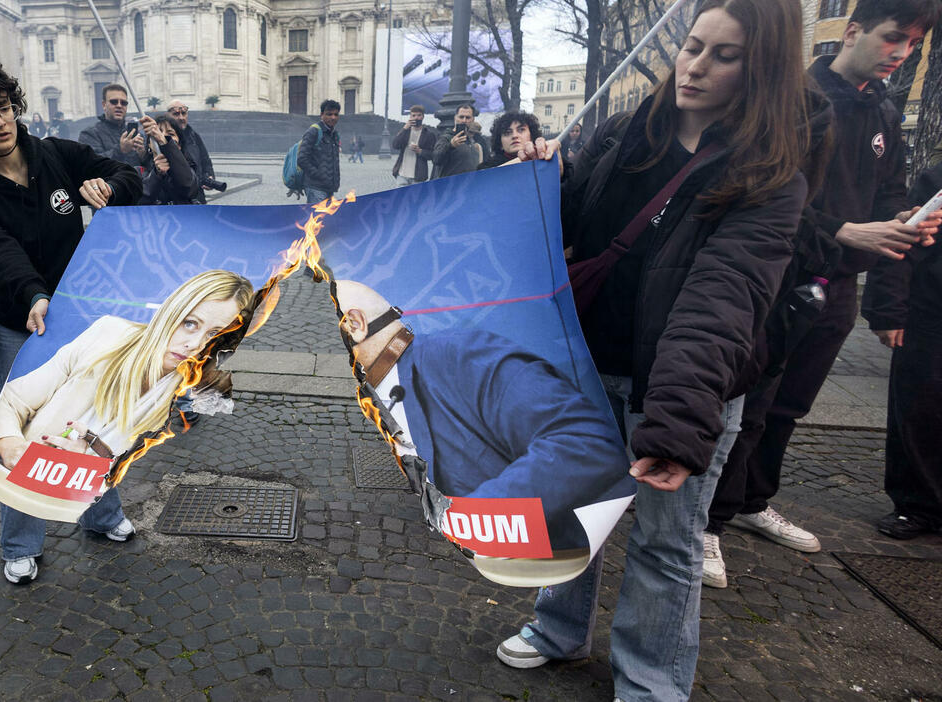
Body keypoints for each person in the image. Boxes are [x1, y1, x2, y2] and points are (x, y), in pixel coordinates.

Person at [495, 2, 823, 699]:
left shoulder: (770, 177)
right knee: (574, 510)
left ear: (760, 68)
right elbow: (572, 227)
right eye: (692, 46)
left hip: (683, 385)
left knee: (665, 544)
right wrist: (545, 179)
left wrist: (675, 423)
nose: (695, 66)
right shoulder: (627, 131)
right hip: (590, 363)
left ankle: (650, 682)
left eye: (723, 55)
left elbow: (722, 302)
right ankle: (558, 631)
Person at [704, 0, 942, 587]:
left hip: (837, 288)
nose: (901, 54)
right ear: (854, 32)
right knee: (746, 405)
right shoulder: (793, 101)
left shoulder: (884, 108)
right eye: (894, 38)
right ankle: (706, 522)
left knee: (791, 405)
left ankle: (754, 501)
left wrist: (901, 226)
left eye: (912, 45)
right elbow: (760, 193)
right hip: (776, 278)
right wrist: (840, 229)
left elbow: (885, 199)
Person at [0, 53, 142, 583]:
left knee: (89, 415)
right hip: (18, 321)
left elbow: (125, 174)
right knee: (22, 425)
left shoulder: (55, 155)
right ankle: (20, 543)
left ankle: (101, 514)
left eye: (3, 107)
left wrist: (110, 189)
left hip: (78, 313)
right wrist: (31, 296)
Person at [333, 280, 632, 580]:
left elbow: (587, 440)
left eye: (337, 319)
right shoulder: (383, 389)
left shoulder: (462, 355)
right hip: (520, 562)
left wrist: (477, 519)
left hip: (543, 555)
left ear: (356, 323)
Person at [0, 270, 253, 584]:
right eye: (189, 322)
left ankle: (102, 517)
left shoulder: (184, 379)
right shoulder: (109, 334)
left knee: (104, 472)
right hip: (30, 455)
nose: (193, 344)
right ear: (171, 311)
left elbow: (120, 449)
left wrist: (90, 455)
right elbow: (15, 400)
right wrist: (9, 443)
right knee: (24, 482)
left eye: (213, 334)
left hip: (89, 467)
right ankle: (19, 547)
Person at [861, 155, 942, 539]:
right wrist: (889, 311)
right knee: (920, 411)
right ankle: (917, 506)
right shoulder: (937, 180)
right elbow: (905, 244)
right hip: (930, 316)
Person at [77, 84, 143, 168]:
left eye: (123, 103)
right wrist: (120, 150)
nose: (119, 105)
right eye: (114, 102)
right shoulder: (89, 134)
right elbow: (91, 164)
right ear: (104, 105)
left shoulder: (134, 134)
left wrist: (143, 154)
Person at [139, 114, 198, 206]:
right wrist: (157, 175)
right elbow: (140, 199)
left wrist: (164, 142)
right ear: (149, 145)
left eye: (170, 134)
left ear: (179, 145)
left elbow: (188, 186)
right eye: (158, 132)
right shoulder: (140, 171)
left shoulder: (189, 170)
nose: (161, 136)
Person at [166, 99, 217, 203]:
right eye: (176, 114)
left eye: (183, 113)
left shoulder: (194, 136)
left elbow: (205, 160)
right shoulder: (162, 138)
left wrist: (210, 176)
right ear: (168, 116)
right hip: (174, 199)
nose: (181, 117)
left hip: (197, 197)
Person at [298, 99, 341, 205]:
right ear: (322, 115)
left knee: (325, 220)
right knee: (318, 218)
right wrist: (319, 175)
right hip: (315, 187)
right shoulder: (313, 132)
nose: (333, 117)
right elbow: (302, 159)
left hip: (329, 187)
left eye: (336, 114)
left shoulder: (334, 134)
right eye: (329, 114)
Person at [432, 103, 489, 179]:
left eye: (468, 117)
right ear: (455, 117)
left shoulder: (474, 139)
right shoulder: (446, 137)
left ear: (473, 120)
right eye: (461, 117)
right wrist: (451, 146)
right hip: (451, 186)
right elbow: (436, 159)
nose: (464, 120)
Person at [390, 104, 436, 187]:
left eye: (419, 115)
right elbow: (395, 145)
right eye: (413, 115)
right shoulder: (405, 131)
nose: (416, 118)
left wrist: (420, 151)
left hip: (418, 176)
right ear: (410, 117)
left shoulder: (429, 134)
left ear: (423, 117)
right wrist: (405, 128)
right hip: (402, 174)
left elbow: (432, 155)